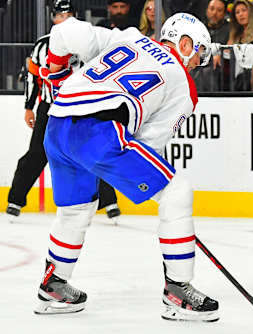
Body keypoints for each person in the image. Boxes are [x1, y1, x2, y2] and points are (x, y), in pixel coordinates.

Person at [33, 12, 219, 322]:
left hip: (57, 124)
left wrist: (57, 69)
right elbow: (151, 142)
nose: (198, 61)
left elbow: (63, 30)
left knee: (76, 210)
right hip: (97, 133)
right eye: (199, 51)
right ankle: (178, 289)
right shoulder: (184, 86)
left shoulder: (130, 36)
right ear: (184, 44)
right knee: (175, 192)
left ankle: (53, 285)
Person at [6, 0, 121, 222]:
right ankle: (16, 199)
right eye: (59, 16)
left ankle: (109, 201)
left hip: (82, 107)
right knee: (37, 152)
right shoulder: (42, 45)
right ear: (53, 19)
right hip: (50, 108)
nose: (64, 20)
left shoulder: (87, 41)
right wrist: (29, 107)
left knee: (94, 152)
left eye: (68, 15)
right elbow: (33, 78)